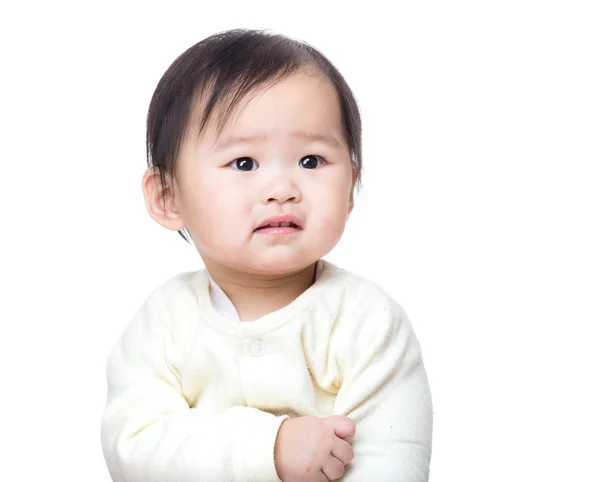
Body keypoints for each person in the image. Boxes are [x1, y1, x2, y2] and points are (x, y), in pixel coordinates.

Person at [101, 28, 433, 482]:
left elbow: (394, 458)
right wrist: (268, 448)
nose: (282, 189)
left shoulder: (368, 322)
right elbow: (133, 450)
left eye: (312, 161)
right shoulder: (163, 323)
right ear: (168, 196)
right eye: (244, 163)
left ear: (352, 186)